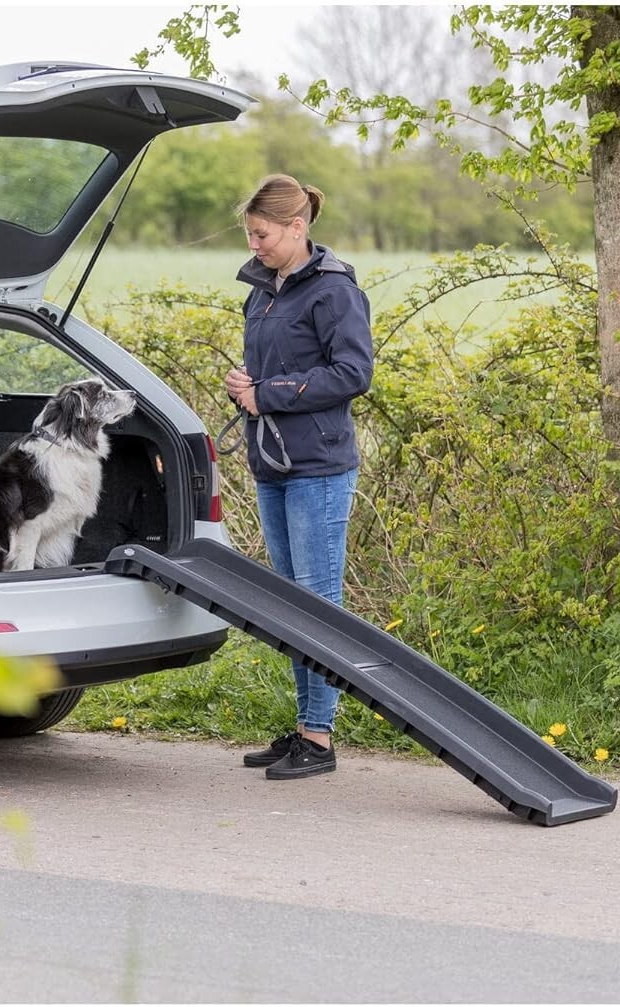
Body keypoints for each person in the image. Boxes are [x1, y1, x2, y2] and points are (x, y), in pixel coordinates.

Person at [225, 173, 373, 781]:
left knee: (318, 602)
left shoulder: (334, 291)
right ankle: (307, 725)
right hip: (273, 463)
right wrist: (245, 388)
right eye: (251, 235)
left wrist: (272, 394)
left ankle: (320, 735)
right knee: (290, 605)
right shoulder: (260, 292)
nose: (254, 245)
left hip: (319, 466)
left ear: (296, 226)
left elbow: (353, 373)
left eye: (262, 234)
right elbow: (267, 370)